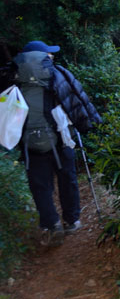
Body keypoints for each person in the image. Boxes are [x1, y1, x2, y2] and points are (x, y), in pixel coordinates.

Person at [9, 40, 101, 247]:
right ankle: (72, 220)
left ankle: (52, 224)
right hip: (61, 139)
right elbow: (77, 100)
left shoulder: (9, 76)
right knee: (67, 179)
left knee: (40, 186)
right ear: (44, 57)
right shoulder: (59, 74)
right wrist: (89, 125)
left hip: (28, 144)